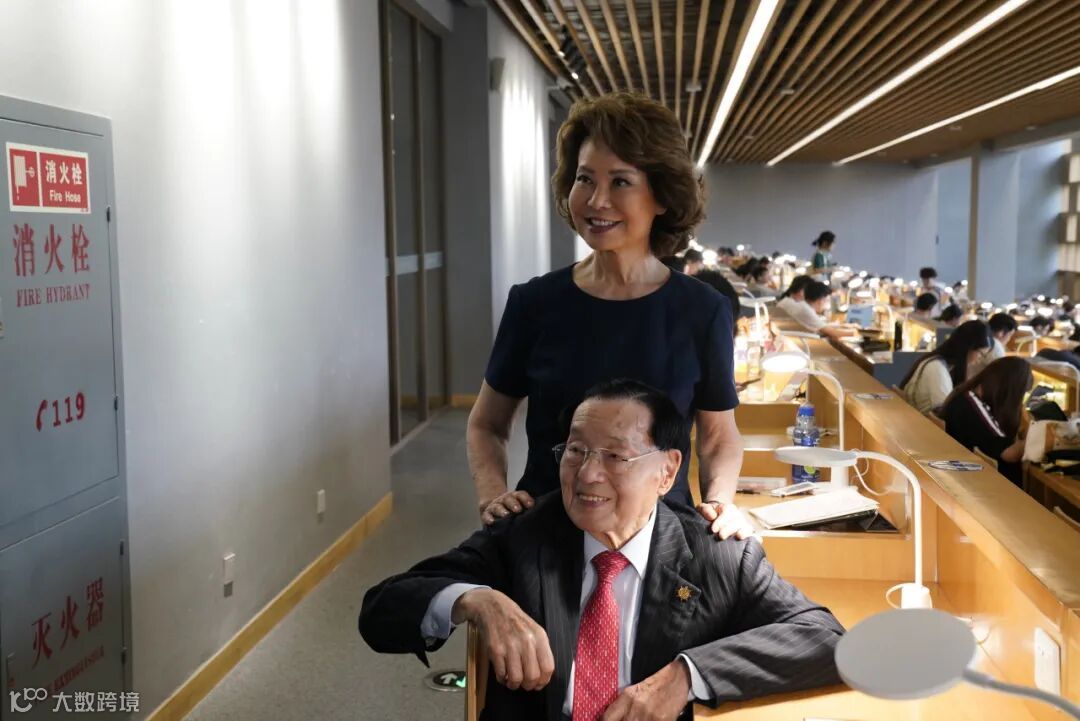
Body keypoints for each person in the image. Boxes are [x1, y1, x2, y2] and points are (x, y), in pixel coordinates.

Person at [361, 381, 845, 721]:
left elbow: (825, 639)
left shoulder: (717, 555)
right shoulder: (525, 535)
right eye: (576, 451)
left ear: (667, 471)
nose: (588, 474)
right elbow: (381, 609)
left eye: (615, 456)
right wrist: (477, 600)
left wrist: (686, 676)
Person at [467, 92, 748, 541]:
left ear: (661, 196)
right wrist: (492, 495)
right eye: (585, 179)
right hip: (544, 536)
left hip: (659, 539)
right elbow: (487, 423)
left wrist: (720, 502)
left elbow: (718, 437)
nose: (597, 200)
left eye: (620, 182)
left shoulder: (701, 310)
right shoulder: (535, 303)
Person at [940, 357, 1032, 486]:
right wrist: (1035, 438)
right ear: (1009, 388)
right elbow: (1009, 454)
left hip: (965, 475)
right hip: (987, 485)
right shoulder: (974, 408)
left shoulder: (965, 395)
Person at [899, 320, 992, 414]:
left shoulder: (938, 362)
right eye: (981, 353)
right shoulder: (937, 369)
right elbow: (946, 412)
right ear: (968, 348)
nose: (980, 359)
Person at [779, 280, 858, 339]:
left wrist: (841, 326)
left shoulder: (804, 306)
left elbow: (820, 325)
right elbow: (834, 333)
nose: (827, 304)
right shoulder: (806, 310)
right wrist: (857, 333)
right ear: (820, 300)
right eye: (827, 300)